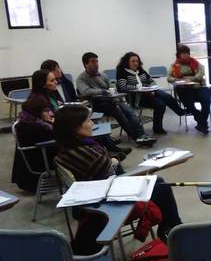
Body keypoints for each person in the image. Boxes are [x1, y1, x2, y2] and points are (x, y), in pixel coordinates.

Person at [53, 105, 182, 242]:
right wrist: (117, 163)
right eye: (88, 120)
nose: (92, 124)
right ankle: (174, 230)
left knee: (157, 181)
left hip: (97, 193)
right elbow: (113, 174)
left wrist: (114, 162)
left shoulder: (69, 148)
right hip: (105, 201)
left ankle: (171, 228)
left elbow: (109, 169)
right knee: (161, 186)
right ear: (76, 128)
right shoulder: (86, 153)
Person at [36, 66, 132, 158]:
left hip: (66, 118)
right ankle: (106, 153)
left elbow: (69, 101)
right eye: (52, 80)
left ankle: (109, 151)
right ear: (43, 83)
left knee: (94, 121)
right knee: (89, 125)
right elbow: (52, 119)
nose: (56, 82)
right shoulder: (41, 101)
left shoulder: (61, 87)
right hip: (62, 128)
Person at [77, 52, 156, 146]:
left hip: (112, 100)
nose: (96, 64)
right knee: (119, 112)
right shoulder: (81, 78)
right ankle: (137, 137)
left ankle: (142, 135)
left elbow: (111, 87)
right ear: (86, 64)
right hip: (97, 104)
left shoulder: (103, 75)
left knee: (130, 112)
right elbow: (86, 91)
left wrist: (112, 91)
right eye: (93, 62)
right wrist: (103, 91)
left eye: (97, 61)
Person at [116, 52, 185, 135]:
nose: (135, 63)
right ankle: (180, 112)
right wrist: (139, 88)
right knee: (160, 104)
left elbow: (151, 81)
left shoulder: (140, 70)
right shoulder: (122, 71)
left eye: (137, 61)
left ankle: (159, 127)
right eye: (133, 61)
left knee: (165, 96)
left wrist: (151, 89)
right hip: (135, 99)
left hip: (148, 94)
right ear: (127, 61)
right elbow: (122, 87)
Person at [11, 93, 56, 193]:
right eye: (46, 111)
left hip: (31, 165)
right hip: (39, 162)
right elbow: (55, 140)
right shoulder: (36, 127)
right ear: (36, 112)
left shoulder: (27, 120)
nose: (50, 113)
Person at [167, 45, 211, 134]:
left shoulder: (195, 63)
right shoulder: (174, 65)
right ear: (179, 55)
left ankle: (201, 123)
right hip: (184, 88)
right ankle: (202, 122)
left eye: (187, 53)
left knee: (206, 101)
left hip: (199, 87)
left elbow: (201, 73)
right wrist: (177, 79)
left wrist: (192, 79)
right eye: (183, 53)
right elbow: (169, 77)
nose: (186, 55)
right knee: (188, 104)